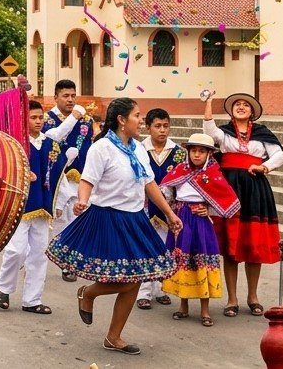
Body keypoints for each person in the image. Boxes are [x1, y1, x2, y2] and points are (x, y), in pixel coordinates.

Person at [48, 97, 182, 356]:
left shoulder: (138, 149)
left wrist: (169, 214)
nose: (141, 120)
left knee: (135, 279)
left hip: (135, 219)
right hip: (108, 217)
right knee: (123, 278)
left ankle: (114, 336)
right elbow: (88, 180)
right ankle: (88, 293)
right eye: (137, 116)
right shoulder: (102, 148)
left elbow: (148, 183)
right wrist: (83, 201)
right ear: (122, 120)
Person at [200, 92, 283, 318]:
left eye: (245, 105)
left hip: (255, 189)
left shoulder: (262, 133)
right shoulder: (225, 133)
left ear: (252, 112)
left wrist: (264, 167)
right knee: (231, 246)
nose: (240, 107)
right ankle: (232, 299)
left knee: (252, 244)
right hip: (229, 189)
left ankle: (253, 296)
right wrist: (209, 103)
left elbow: (279, 156)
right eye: (237, 104)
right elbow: (209, 130)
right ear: (231, 110)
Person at [159, 133, 237, 327]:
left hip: (201, 222)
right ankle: (183, 305)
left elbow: (229, 201)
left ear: (209, 154)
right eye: (193, 150)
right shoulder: (180, 170)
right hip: (182, 219)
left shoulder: (214, 174)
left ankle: (205, 309)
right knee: (183, 260)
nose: (196, 155)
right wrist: (171, 211)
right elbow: (166, 189)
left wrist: (208, 209)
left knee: (202, 261)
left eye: (201, 151)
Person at [0, 100, 65, 315]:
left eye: (40, 117)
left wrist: (59, 203)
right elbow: (2, 173)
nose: (37, 121)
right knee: (16, 250)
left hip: (43, 206)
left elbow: (59, 177)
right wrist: (23, 176)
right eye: (32, 117)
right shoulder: (15, 144)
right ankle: (4, 286)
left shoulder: (50, 145)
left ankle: (32, 300)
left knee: (38, 254)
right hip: (20, 206)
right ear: (23, 119)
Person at [42, 79, 94, 282]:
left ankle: (69, 263)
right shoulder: (47, 120)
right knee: (59, 220)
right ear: (56, 97)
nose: (70, 99)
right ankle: (42, 258)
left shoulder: (86, 120)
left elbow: (89, 147)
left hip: (80, 176)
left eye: (73, 95)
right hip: (56, 179)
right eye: (66, 95)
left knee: (77, 219)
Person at [136, 108, 187, 310]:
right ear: (148, 127)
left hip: (169, 209)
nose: (162, 130)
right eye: (157, 126)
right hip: (144, 208)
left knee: (165, 249)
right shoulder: (139, 150)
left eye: (166, 126)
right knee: (145, 249)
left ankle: (160, 289)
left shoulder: (179, 153)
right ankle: (143, 292)